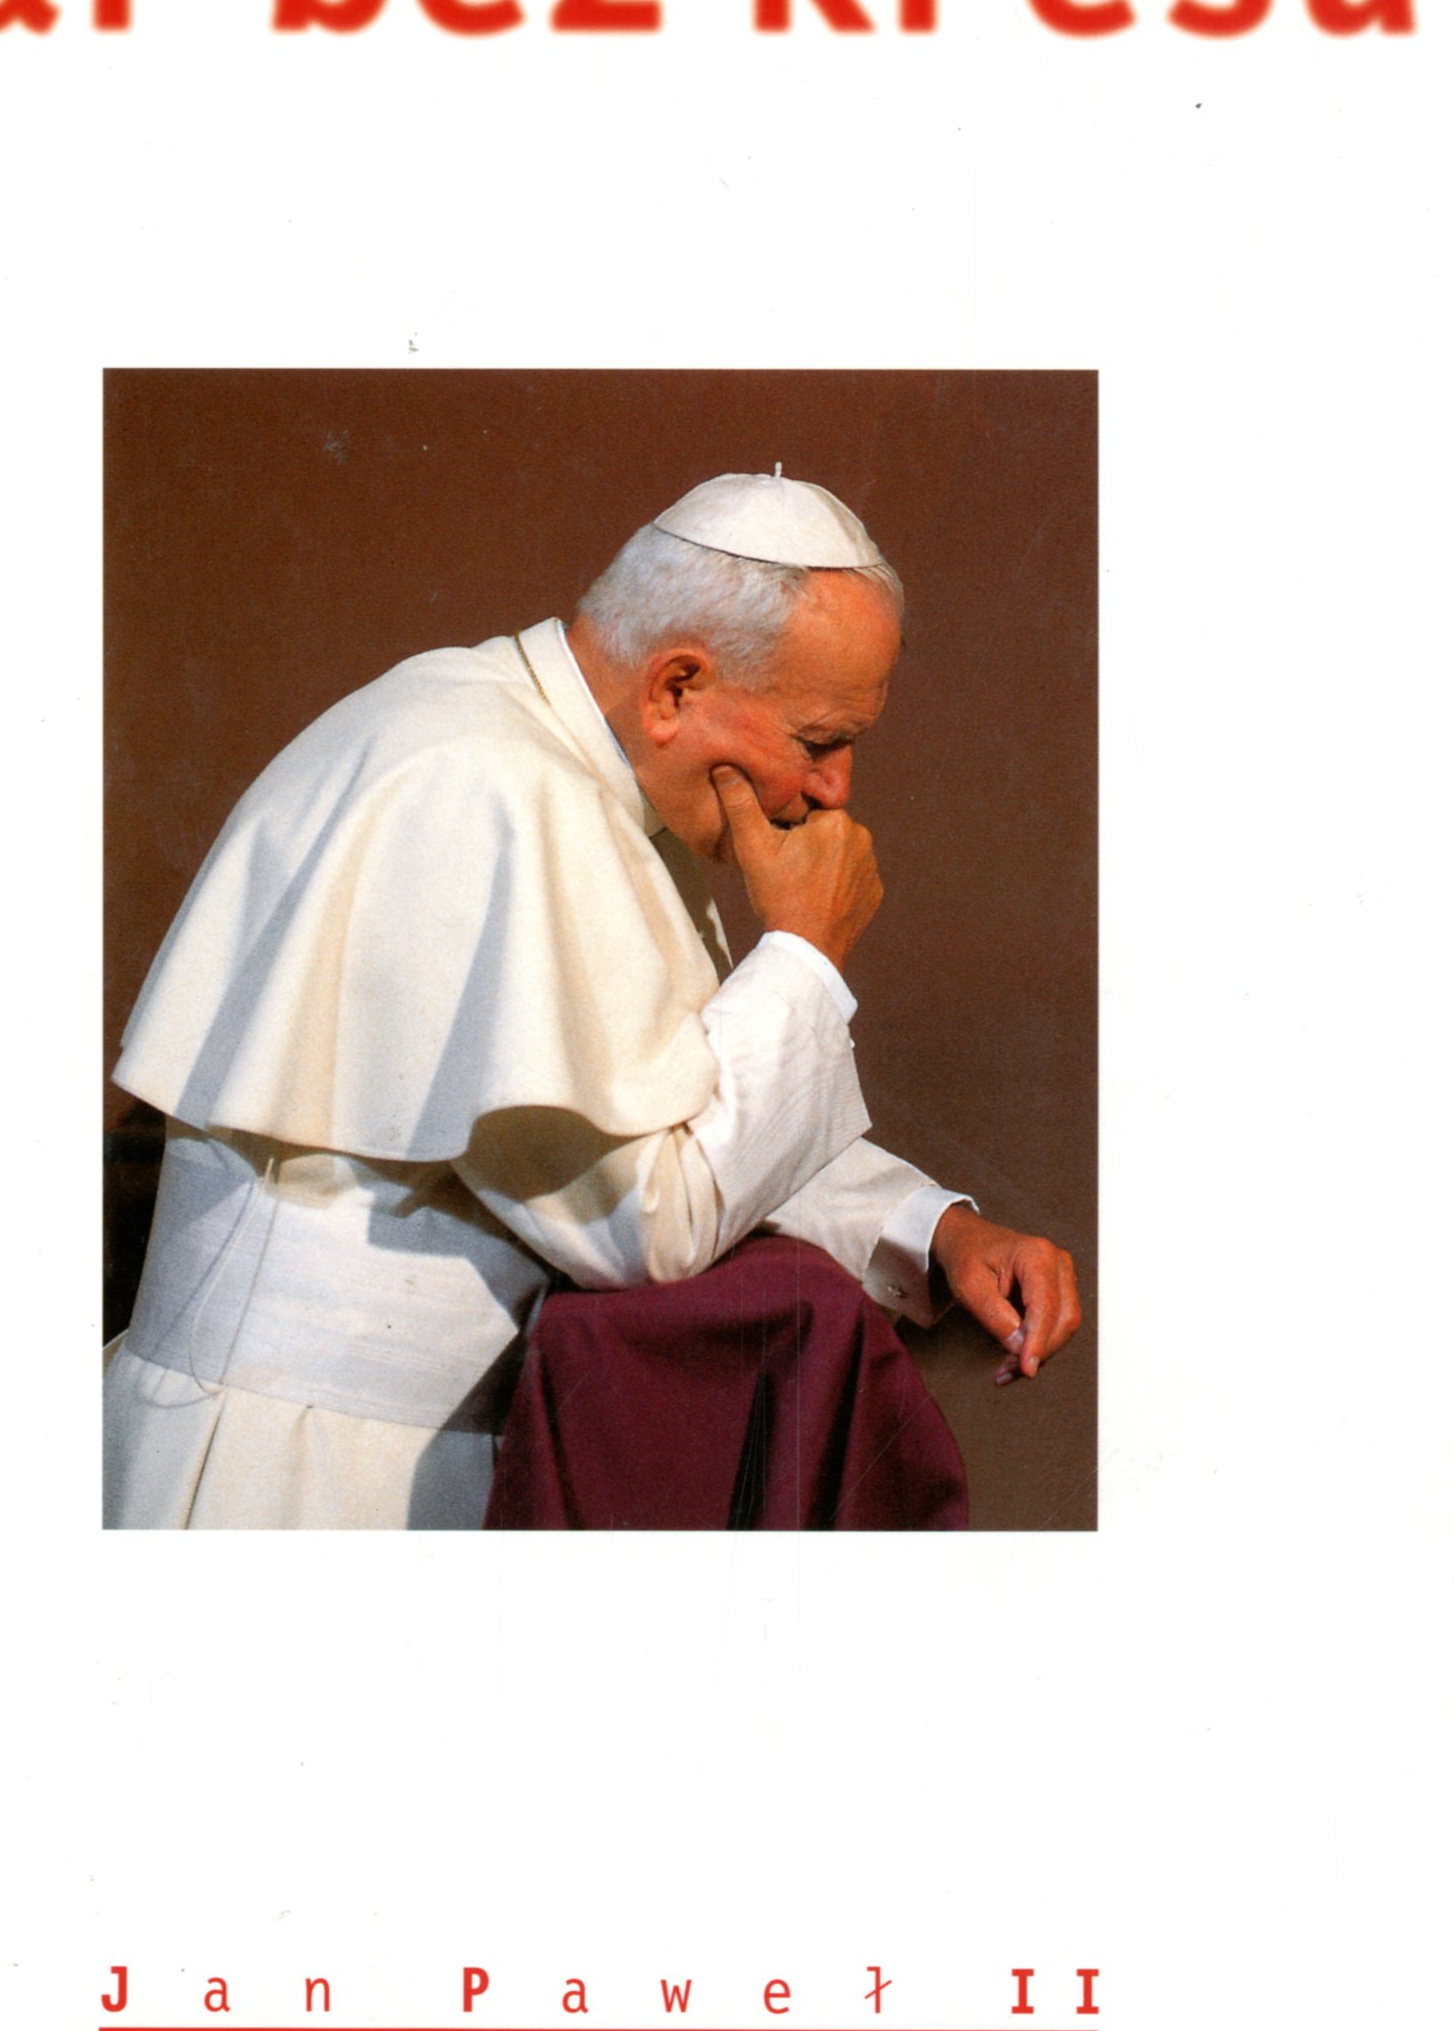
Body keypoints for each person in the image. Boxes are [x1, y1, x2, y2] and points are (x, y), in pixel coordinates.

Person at [102, 470, 1080, 1529]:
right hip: (304, 1475)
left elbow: (663, 1102)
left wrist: (930, 1228)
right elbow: (642, 1220)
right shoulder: (493, 785)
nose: (836, 788)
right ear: (674, 687)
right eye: (817, 740)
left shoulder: (543, 759)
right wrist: (805, 951)